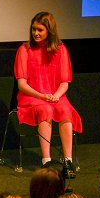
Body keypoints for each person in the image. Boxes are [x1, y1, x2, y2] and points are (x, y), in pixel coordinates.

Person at [14, 11, 82, 172]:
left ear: (49, 31)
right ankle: (46, 160)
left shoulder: (60, 49)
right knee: (45, 109)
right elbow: (22, 84)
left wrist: (55, 96)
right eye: (33, 29)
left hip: (55, 95)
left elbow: (65, 82)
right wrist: (42, 96)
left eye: (40, 30)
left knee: (65, 110)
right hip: (32, 96)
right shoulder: (24, 50)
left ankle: (68, 160)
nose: (35, 33)